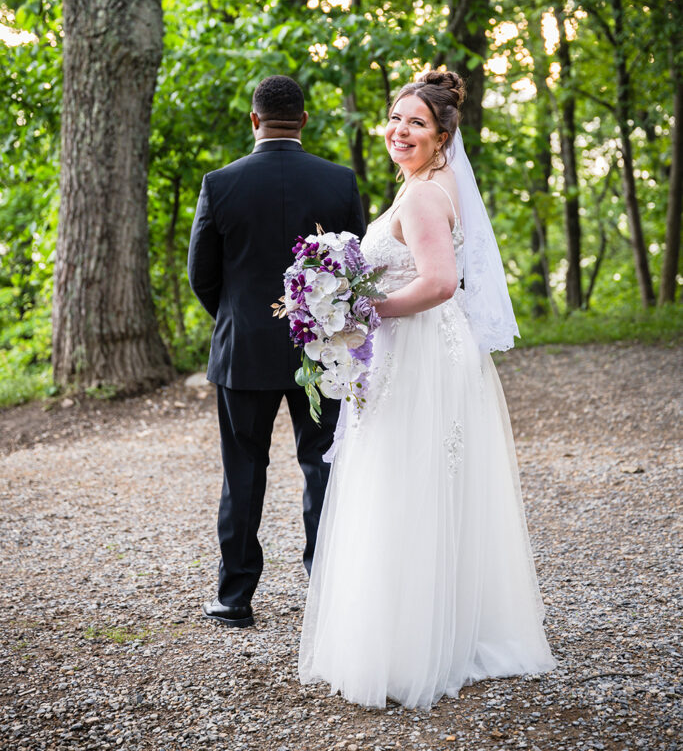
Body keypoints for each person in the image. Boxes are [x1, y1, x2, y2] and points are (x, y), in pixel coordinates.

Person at [299, 69, 556, 708]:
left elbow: (440, 282)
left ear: (442, 135)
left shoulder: (420, 197)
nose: (400, 131)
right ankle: (444, 629)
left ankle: (410, 648)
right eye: (395, 119)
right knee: (422, 485)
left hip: (419, 351)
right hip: (422, 348)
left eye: (416, 123)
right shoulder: (432, 187)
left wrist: (364, 310)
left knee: (404, 483)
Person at [188, 75, 365, 628]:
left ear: (254, 119)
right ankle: (327, 585)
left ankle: (234, 597)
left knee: (243, 470)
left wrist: (239, 321)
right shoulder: (339, 182)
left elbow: (202, 275)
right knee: (323, 465)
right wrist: (318, 322)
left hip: (243, 354)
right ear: (305, 120)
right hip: (321, 348)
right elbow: (356, 269)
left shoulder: (220, 184)